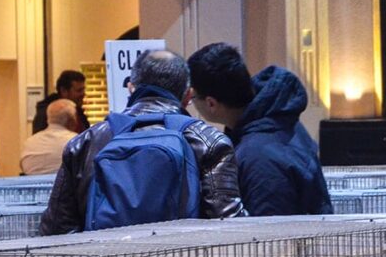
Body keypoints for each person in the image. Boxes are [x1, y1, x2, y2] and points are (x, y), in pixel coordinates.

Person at [39, 50, 244, 235]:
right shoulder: (210, 142)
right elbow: (228, 227)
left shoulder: (85, 143)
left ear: (130, 88)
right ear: (188, 95)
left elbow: (57, 229)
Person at [187, 42, 333, 216]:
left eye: (193, 97)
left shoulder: (258, 157)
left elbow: (268, 235)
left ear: (211, 103)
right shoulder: (276, 121)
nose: (191, 103)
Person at [20, 99, 77, 175]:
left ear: (48, 119)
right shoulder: (77, 142)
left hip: (31, 186)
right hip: (66, 186)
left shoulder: (29, 142)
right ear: (71, 120)